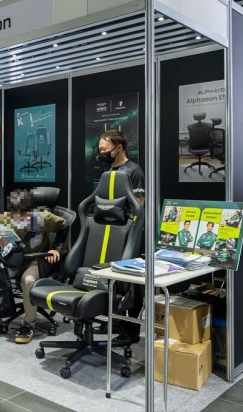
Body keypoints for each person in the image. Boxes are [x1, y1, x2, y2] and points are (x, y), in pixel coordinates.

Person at [0, 189, 68, 344]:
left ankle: (28, 325)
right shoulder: (3, 218)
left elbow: (64, 225)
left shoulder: (42, 218)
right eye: (16, 215)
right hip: (12, 260)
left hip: (35, 260)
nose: (20, 218)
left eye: (24, 215)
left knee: (27, 280)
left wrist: (56, 248)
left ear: (32, 211)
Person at [97, 130, 145, 343]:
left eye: (105, 149)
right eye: (100, 149)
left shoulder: (133, 171)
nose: (102, 153)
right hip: (112, 232)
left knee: (132, 282)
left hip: (131, 233)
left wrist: (130, 229)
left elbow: (139, 205)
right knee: (114, 278)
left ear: (119, 148)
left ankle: (132, 329)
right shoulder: (109, 171)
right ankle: (115, 321)